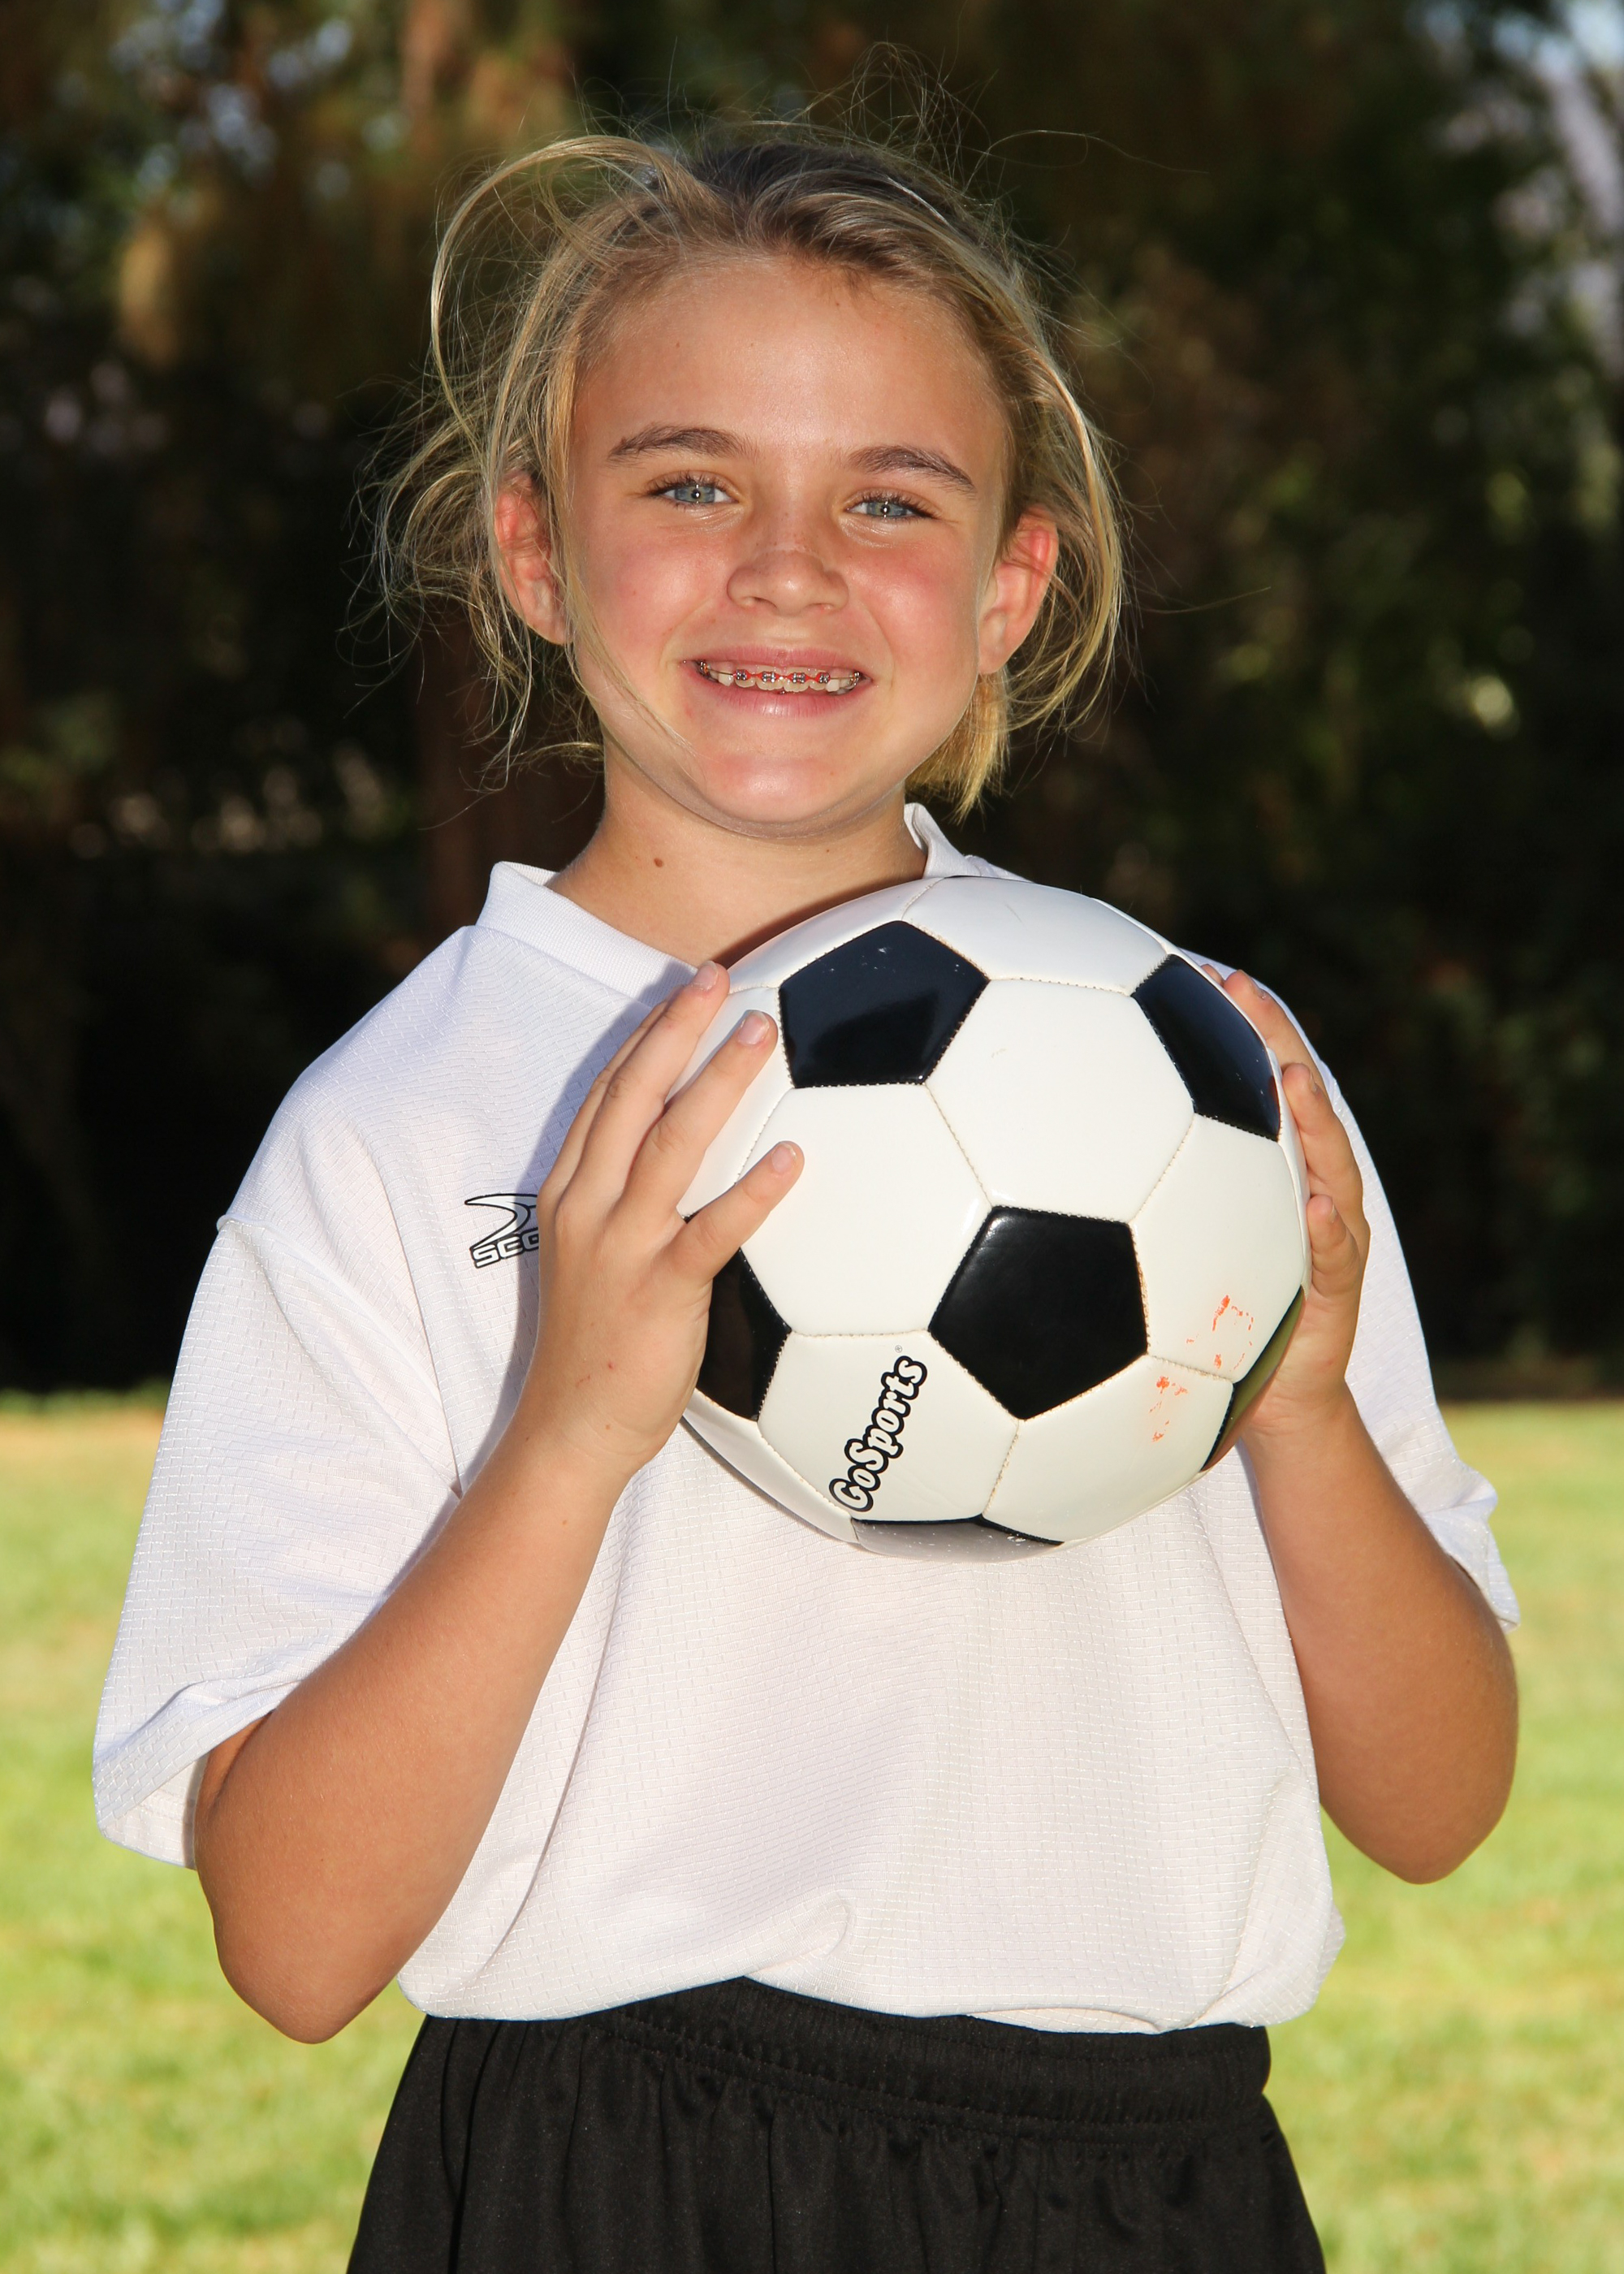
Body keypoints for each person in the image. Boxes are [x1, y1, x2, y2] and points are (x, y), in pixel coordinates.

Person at [95, 125, 1519, 2273]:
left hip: (1150, 2182)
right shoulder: (391, 1134)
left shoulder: (1211, 1081)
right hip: (608, 2177)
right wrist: (569, 1430)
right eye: (691, 485)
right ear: (533, 551)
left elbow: (1439, 1804)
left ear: (1011, 588)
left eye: (890, 499)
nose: (787, 567)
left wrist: (1298, 1403)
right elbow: (293, 1949)